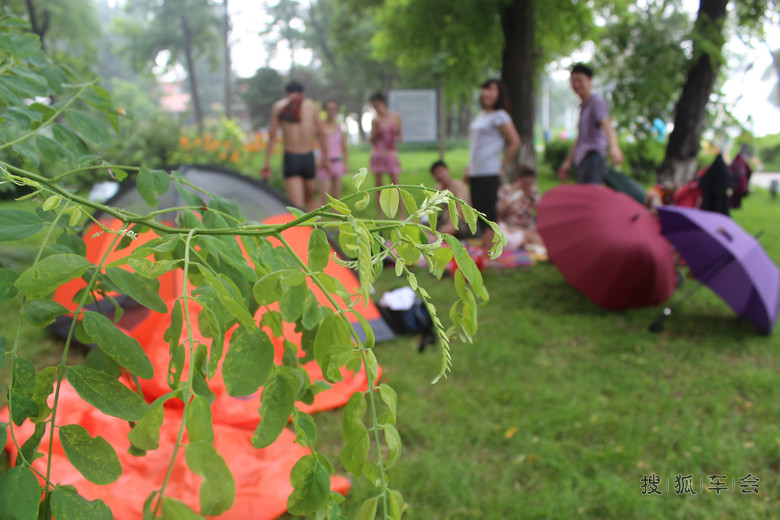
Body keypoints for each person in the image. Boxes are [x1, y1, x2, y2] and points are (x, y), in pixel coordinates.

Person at [466, 78, 521, 249]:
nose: (488, 93)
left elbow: (515, 141)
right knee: (477, 210)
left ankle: (491, 251)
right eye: (485, 89)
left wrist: (502, 165)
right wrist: (469, 168)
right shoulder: (482, 115)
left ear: (499, 94)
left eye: (492, 90)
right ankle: (486, 246)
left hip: (490, 171)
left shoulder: (500, 116)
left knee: (488, 212)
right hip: (475, 171)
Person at [262, 80, 328, 212]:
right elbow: (322, 133)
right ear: (303, 93)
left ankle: (301, 232)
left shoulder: (279, 106)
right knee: (310, 200)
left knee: (296, 206)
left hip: (292, 158)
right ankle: (314, 231)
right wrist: (326, 158)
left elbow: (273, 136)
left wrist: (267, 163)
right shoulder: (311, 106)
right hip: (308, 157)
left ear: (286, 93)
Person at [558, 63, 623, 184]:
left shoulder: (596, 102)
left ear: (589, 80)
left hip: (593, 158)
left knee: (590, 198)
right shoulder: (584, 106)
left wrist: (614, 147)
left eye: (580, 80)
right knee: (582, 198)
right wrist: (568, 162)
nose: (576, 84)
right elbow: (581, 138)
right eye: (573, 80)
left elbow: (607, 125)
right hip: (582, 159)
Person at [496, 167, 545, 254]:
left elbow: (541, 211)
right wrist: (510, 204)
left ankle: (531, 246)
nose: (528, 186)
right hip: (509, 225)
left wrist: (531, 197)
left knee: (537, 237)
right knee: (532, 238)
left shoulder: (533, 191)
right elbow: (498, 213)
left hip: (527, 226)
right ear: (519, 179)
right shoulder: (506, 190)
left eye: (530, 183)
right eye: (525, 183)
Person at [369, 91, 402, 215]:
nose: (375, 108)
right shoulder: (375, 120)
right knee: (379, 186)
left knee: (396, 184)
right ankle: (381, 215)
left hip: (391, 152)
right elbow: (372, 140)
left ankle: (401, 213)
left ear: (383, 103)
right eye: (373, 106)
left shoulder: (396, 117)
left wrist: (398, 137)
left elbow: (400, 134)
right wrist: (376, 130)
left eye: (376, 105)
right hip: (378, 153)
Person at [316, 99, 349, 205]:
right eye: (329, 109)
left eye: (334, 109)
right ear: (325, 110)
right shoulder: (320, 127)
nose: (332, 112)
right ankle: (316, 220)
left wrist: (345, 164)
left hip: (337, 163)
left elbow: (344, 147)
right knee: (323, 196)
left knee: (336, 197)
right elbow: (313, 144)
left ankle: (336, 220)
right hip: (324, 164)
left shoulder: (339, 128)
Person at [429, 160, 471, 237]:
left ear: (447, 170)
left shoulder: (458, 185)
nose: (439, 175)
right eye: (436, 173)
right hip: (444, 221)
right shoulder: (437, 189)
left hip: (461, 223)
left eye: (440, 171)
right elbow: (428, 207)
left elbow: (461, 207)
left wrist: (451, 226)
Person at [729, 143, 753, 209]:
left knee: (735, 198)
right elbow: (750, 171)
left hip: (737, 185)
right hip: (740, 185)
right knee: (736, 198)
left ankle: (735, 206)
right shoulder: (741, 161)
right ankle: (735, 206)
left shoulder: (737, 160)